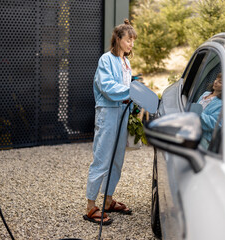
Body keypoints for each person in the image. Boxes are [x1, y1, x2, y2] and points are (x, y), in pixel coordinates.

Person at [83, 19, 137, 225]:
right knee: (102, 157)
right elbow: (106, 86)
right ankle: (90, 206)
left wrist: (135, 100)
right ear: (118, 39)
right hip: (107, 112)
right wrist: (131, 91)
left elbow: (126, 89)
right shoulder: (106, 59)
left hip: (122, 113)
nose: (131, 44)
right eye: (128, 40)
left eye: (133, 41)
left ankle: (108, 199)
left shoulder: (127, 63)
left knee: (117, 158)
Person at [197, 73, 223, 149]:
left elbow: (215, 124)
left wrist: (197, 113)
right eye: (216, 79)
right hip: (193, 131)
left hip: (203, 140)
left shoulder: (221, 103)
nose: (215, 82)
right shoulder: (205, 94)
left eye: (220, 82)